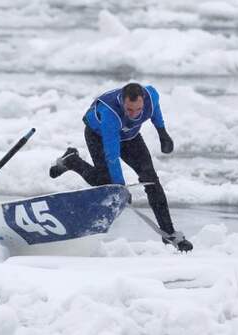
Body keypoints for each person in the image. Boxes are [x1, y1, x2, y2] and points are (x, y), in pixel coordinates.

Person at [48, 83, 193, 252]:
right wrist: (121, 187)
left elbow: (155, 110)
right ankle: (72, 161)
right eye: (129, 110)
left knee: (151, 179)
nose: (134, 114)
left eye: (138, 109)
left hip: (130, 137)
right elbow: (112, 156)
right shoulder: (110, 114)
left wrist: (162, 132)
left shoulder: (151, 96)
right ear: (123, 102)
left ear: (143, 101)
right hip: (99, 135)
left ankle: (169, 233)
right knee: (106, 183)